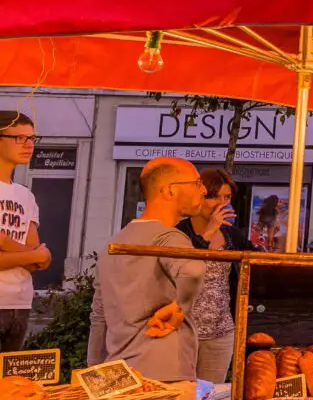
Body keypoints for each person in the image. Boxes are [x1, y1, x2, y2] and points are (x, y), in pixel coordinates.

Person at [95, 157, 217, 383]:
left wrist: (94, 376)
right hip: (166, 376)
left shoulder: (115, 243)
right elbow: (193, 270)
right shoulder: (169, 238)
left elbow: (99, 316)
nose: (203, 191)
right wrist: (180, 307)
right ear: (169, 191)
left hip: (119, 375)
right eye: (197, 183)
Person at [178, 167, 258, 384]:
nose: (223, 203)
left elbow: (257, 260)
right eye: (216, 197)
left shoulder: (232, 234)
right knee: (182, 396)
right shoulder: (179, 232)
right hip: (182, 332)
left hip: (221, 331)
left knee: (208, 397)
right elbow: (182, 265)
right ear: (201, 197)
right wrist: (208, 232)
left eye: (228, 197)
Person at [0, 111, 53, 353]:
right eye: (20, 138)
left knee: (10, 384)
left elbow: (40, 260)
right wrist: (32, 255)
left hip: (19, 300)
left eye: (32, 138)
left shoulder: (25, 195)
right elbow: (36, 254)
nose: (29, 145)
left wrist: (6, 243)